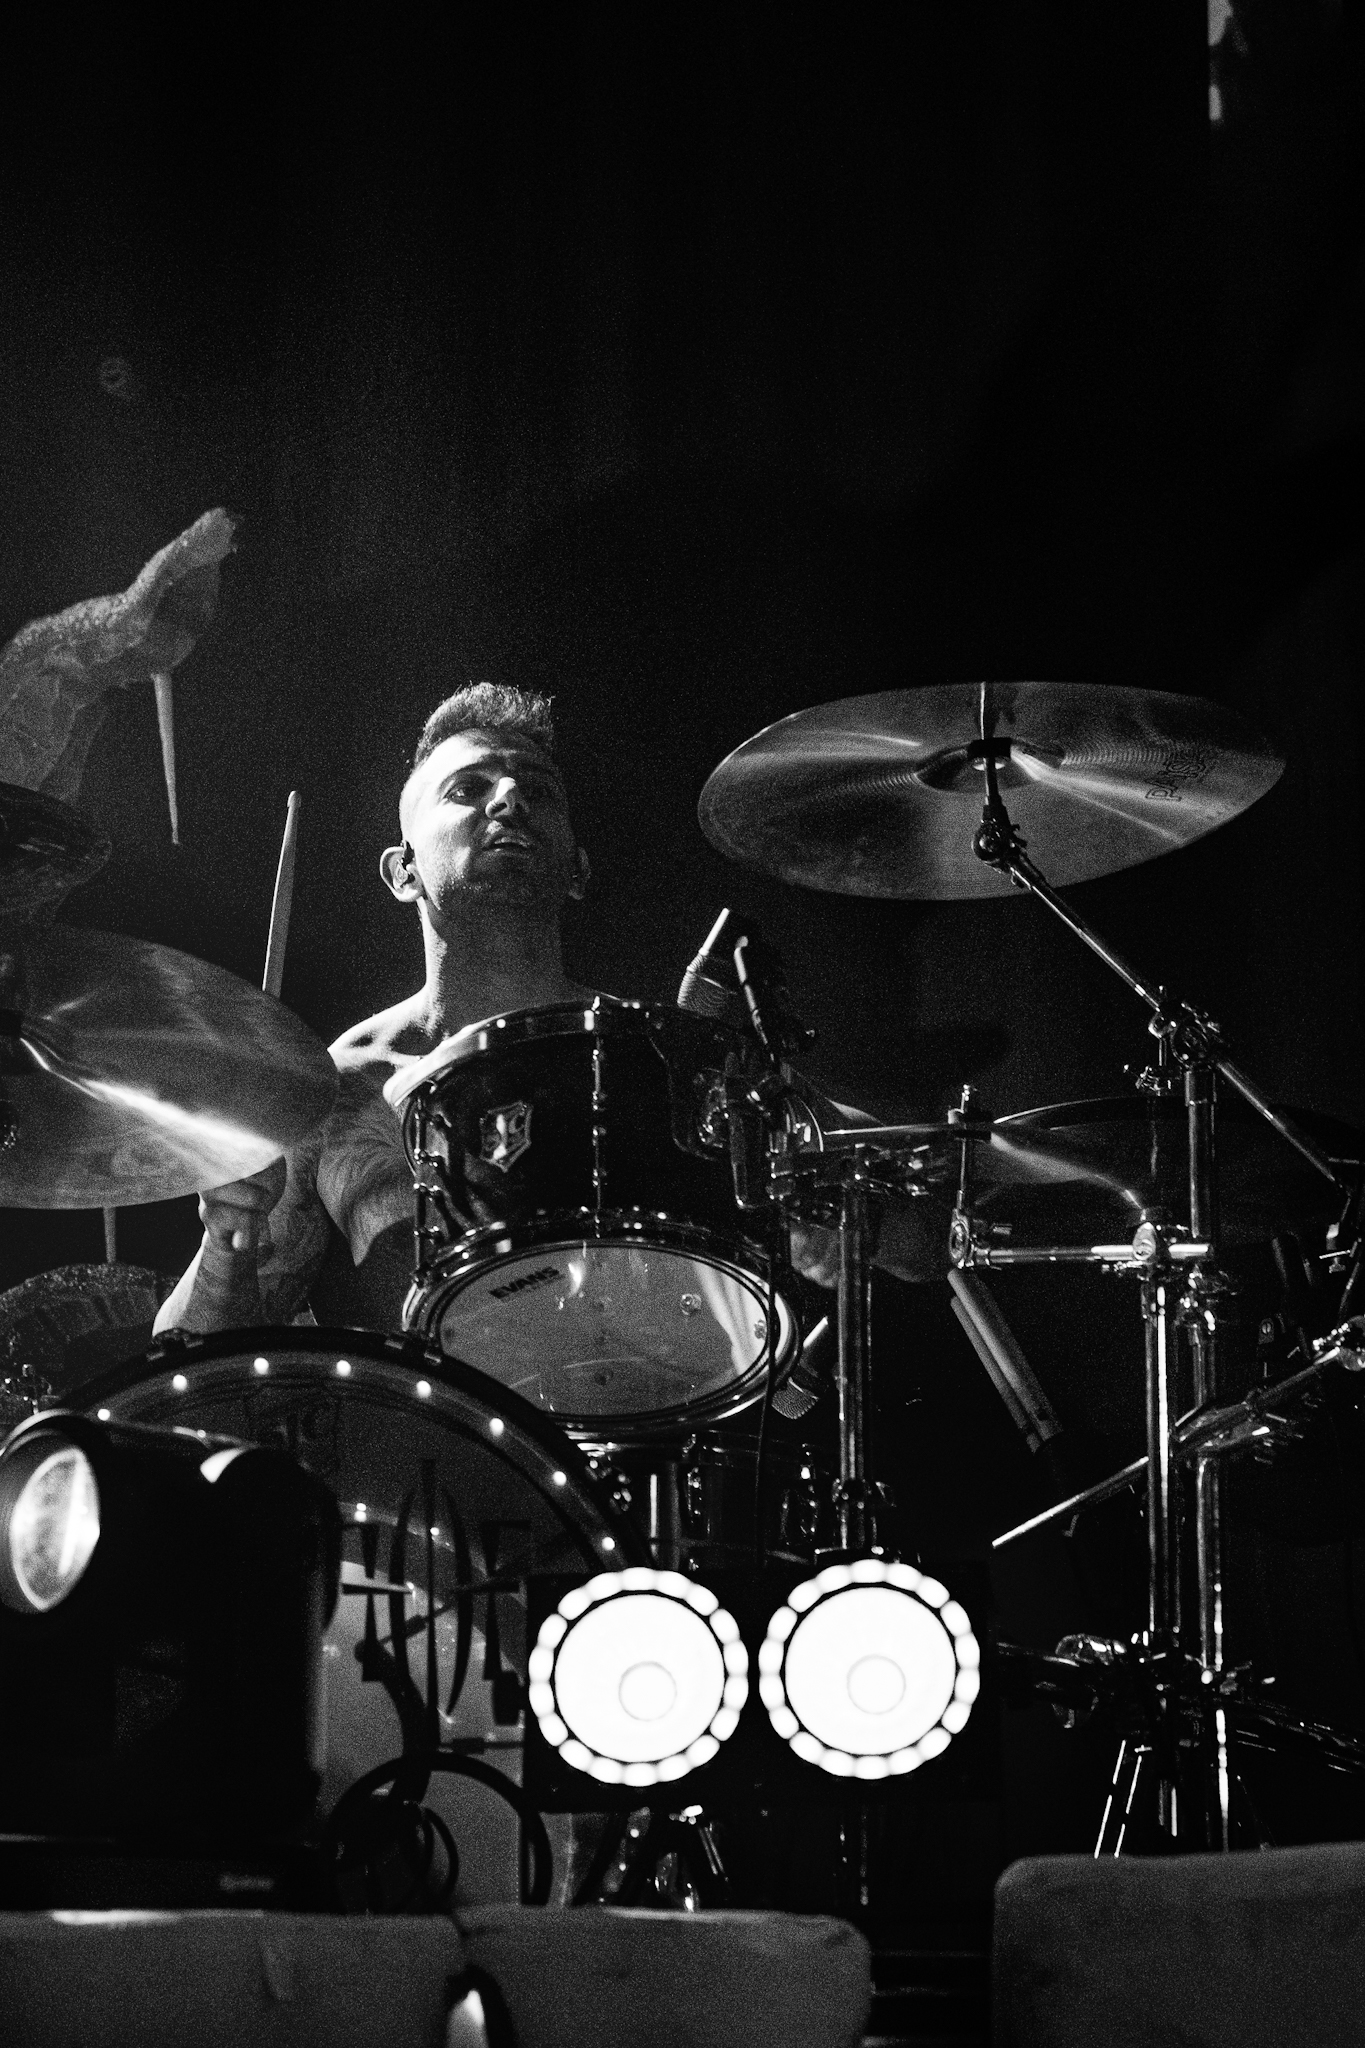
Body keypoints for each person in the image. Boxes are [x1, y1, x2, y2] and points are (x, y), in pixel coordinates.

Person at [155, 680, 940, 1343]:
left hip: (662, 1455)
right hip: (425, 1470)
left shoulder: (668, 1059)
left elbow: (926, 1229)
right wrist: (226, 1244)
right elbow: (188, 1355)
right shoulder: (334, 1090)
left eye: (536, 792)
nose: (508, 799)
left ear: (578, 869)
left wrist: (858, 1215)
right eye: (467, 789)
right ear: (402, 871)